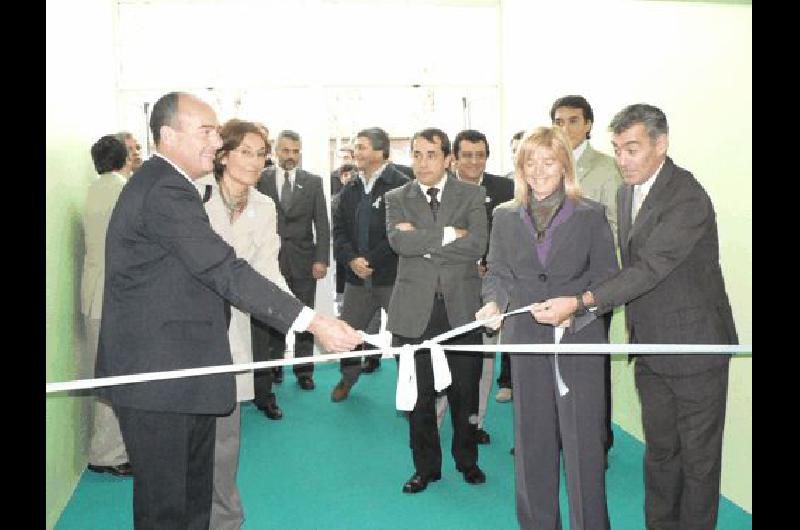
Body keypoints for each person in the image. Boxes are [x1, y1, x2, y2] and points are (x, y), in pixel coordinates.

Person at [95, 91, 361, 530]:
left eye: (217, 132)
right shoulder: (164, 189)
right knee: (166, 510)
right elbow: (223, 268)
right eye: (206, 131)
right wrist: (312, 321)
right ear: (167, 136)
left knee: (195, 499)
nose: (216, 142)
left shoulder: (175, 186)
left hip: (188, 372)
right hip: (159, 378)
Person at [533, 104, 738, 530]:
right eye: (617, 149)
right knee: (661, 452)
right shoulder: (629, 191)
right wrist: (572, 290)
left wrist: (583, 302)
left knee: (698, 461)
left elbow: (649, 269)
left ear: (660, 145)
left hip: (697, 349)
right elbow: (621, 268)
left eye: (632, 149)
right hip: (651, 346)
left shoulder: (686, 196)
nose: (622, 160)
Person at [477, 126, 618, 529]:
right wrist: (492, 303)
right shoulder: (504, 215)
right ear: (520, 167)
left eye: (548, 161)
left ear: (565, 165)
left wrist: (575, 311)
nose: (538, 171)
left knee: (582, 448)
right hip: (526, 342)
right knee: (533, 443)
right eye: (530, 161)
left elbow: (608, 281)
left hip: (579, 341)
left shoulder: (590, 215)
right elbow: (498, 273)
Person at [195, 118, 289, 529]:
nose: (256, 162)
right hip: (187, 328)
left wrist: (306, 318)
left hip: (232, 330)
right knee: (187, 437)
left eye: (261, 153)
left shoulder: (264, 206)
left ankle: (225, 519)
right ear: (223, 154)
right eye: (246, 152)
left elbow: (268, 269)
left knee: (227, 437)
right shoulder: (195, 197)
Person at [385, 128, 488, 494]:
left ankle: (467, 460)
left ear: (448, 159)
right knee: (419, 398)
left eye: (431, 154)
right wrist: (449, 235)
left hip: (461, 310)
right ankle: (426, 468)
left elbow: (478, 244)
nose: (422, 162)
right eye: (416, 154)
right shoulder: (396, 197)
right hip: (413, 314)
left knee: (465, 395)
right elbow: (400, 242)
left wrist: (425, 241)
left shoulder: (473, 194)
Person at [551, 94, 623, 460]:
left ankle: (598, 440)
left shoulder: (607, 169)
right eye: (559, 122)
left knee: (592, 365)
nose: (565, 129)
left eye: (573, 121)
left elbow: (614, 227)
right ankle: (554, 436)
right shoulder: (547, 165)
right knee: (551, 362)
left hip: (592, 286)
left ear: (589, 124)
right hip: (550, 285)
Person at [435, 129, 514, 446]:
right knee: (445, 354)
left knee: (484, 359)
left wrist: (492, 265)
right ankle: (437, 418)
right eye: (467, 154)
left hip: (491, 288)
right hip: (447, 286)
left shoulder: (505, 189)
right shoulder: (439, 191)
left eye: (480, 155)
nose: (474, 161)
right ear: (454, 157)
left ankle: (474, 421)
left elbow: (512, 236)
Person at [253, 130, 330, 414]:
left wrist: (322, 258)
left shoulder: (313, 182)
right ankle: (274, 367)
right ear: (275, 150)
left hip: (303, 260)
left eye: (295, 151)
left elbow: (322, 224)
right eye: (285, 150)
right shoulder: (260, 179)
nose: (290, 156)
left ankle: (304, 370)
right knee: (272, 315)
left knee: (305, 315)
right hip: (269, 259)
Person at [330, 127, 409, 401]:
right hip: (356, 279)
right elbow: (338, 230)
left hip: (392, 276)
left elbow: (400, 231)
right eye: (355, 147)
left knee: (403, 336)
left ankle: (409, 391)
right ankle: (347, 380)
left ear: (380, 151)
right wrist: (351, 259)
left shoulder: (401, 184)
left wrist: (370, 261)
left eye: (362, 147)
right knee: (348, 334)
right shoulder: (349, 186)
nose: (356, 152)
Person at [81, 135, 133, 478]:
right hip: (112, 297)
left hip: (93, 292)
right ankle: (108, 454)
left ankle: (108, 450)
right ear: (123, 157)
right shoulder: (121, 189)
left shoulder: (94, 189)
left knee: (105, 377)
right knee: (113, 379)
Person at [495, 129, 526, 402]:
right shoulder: (506, 195)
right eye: (516, 150)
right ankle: (508, 379)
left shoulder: (582, 210)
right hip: (510, 281)